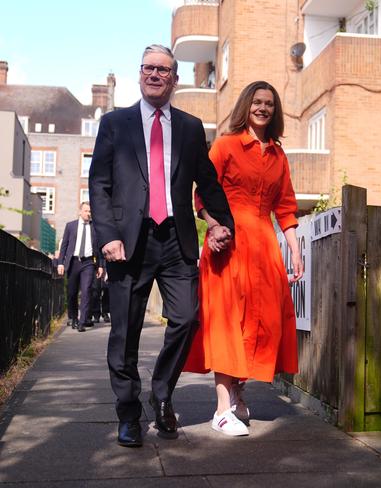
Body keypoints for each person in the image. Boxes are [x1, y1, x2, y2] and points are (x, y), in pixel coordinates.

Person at [89, 44, 234, 448]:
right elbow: (99, 184)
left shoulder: (189, 127)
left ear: (175, 79)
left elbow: (206, 181)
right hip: (128, 241)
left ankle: (163, 393)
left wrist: (221, 223)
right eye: (149, 68)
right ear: (140, 74)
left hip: (175, 237)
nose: (155, 75)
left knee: (187, 318)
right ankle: (129, 414)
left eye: (164, 70)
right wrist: (108, 236)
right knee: (125, 331)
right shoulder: (115, 123)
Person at [183, 81, 303, 437]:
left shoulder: (278, 155)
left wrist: (295, 249)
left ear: (274, 110)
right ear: (245, 106)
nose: (263, 108)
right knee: (227, 320)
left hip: (264, 245)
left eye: (269, 103)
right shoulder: (226, 145)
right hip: (229, 242)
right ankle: (221, 409)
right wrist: (215, 227)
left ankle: (237, 392)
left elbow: (285, 207)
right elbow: (202, 192)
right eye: (257, 102)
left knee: (260, 321)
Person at [57, 201, 104, 332]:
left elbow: (99, 248)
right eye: (86, 211)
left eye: (90, 212)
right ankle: (73, 317)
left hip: (88, 263)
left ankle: (82, 321)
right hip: (73, 262)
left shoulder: (95, 227)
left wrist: (100, 265)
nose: (88, 214)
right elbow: (64, 246)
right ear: (80, 211)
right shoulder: (70, 226)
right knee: (72, 293)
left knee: (86, 290)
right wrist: (61, 262)